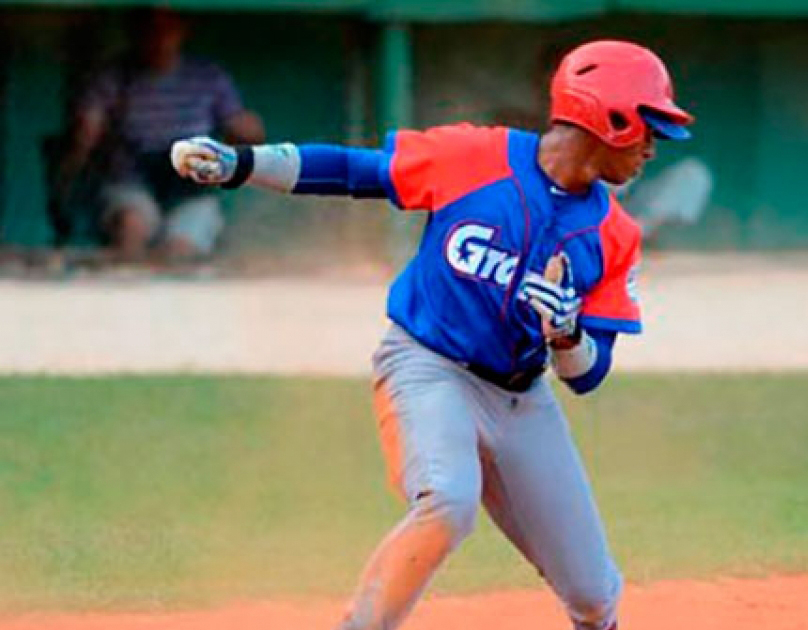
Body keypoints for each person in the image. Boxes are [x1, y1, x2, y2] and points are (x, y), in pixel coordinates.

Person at [171, 40, 692, 630]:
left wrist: (568, 336)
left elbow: (590, 376)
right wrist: (242, 163)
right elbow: (352, 170)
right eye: (649, 124)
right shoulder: (477, 155)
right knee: (448, 502)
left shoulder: (613, 233)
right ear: (609, 114)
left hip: (522, 401)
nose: (654, 145)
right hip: (426, 366)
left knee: (595, 596)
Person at [60, 8, 265, 263]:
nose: (158, 39)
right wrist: (84, 138)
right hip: (130, 182)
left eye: (167, 30)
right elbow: (88, 128)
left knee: (182, 246)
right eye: (150, 30)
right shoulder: (114, 77)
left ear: (182, 32)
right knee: (131, 226)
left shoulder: (208, 76)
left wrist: (247, 131)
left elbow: (242, 127)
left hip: (190, 186)